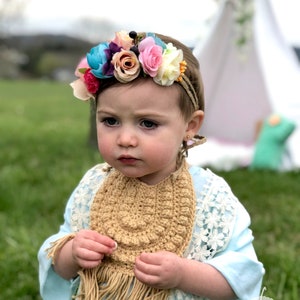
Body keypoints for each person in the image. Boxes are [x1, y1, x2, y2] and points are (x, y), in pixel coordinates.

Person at [38, 30, 265, 300]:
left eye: (148, 123)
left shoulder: (209, 196)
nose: (125, 139)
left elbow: (243, 277)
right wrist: (72, 252)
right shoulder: (93, 187)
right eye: (110, 121)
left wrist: (183, 273)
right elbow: (56, 258)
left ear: (190, 126)